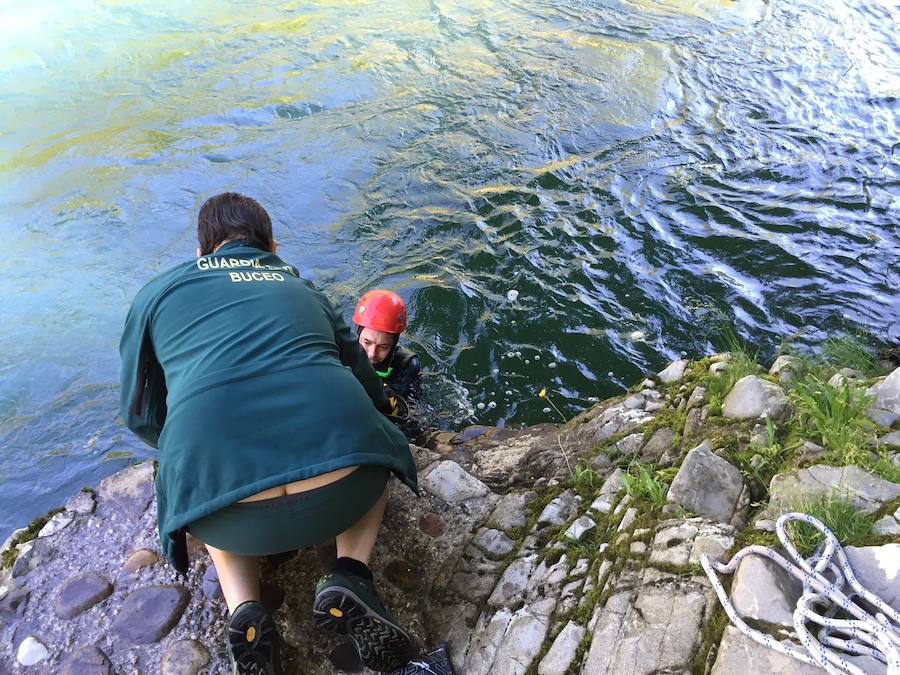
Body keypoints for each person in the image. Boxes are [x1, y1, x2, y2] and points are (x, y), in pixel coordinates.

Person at [119, 193, 420, 675]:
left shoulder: (156, 294)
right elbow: (367, 386)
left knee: (210, 470)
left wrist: (187, 449)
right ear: (273, 246)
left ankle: (246, 612)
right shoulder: (304, 288)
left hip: (230, 513)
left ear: (202, 254)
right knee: (379, 443)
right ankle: (350, 574)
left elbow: (138, 415)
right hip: (342, 492)